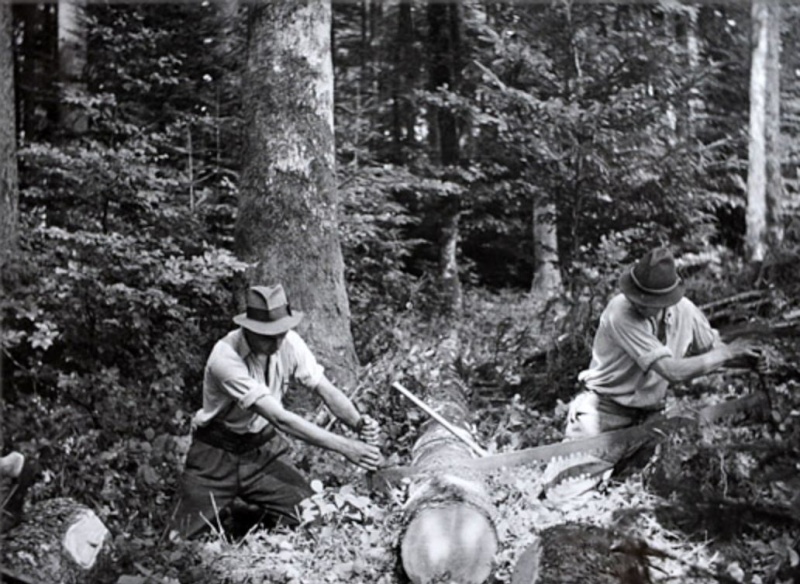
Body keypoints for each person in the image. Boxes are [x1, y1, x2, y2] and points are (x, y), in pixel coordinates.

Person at [541, 247, 761, 498]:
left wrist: (745, 358)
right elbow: (672, 371)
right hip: (603, 416)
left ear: (669, 298)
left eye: (649, 300)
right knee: (559, 498)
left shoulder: (686, 311)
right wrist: (728, 353)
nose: (640, 303)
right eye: (636, 296)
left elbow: (713, 349)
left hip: (649, 420)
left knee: (641, 495)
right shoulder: (619, 312)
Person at [172, 284, 382, 539]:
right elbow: (281, 419)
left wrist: (358, 423)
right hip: (215, 455)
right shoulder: (225, 357)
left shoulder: (289, 342)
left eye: (281, 333)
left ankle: (245, 511)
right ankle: (236, 507)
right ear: (247, 328)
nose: (277, 341)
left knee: (312, 519)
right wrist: (346, 447)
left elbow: (325, 389)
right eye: (267, 335)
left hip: (261, 451)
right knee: (179, 541)